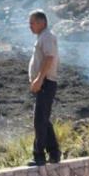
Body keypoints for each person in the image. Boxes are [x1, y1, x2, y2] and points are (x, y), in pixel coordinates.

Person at [27, 10, 61, 166]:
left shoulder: (46, 37)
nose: (30, 26)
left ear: (42, 22)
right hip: (44, 83)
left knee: (39, 120)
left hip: (46, 82)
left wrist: (39, 79)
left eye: (32, 23)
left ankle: (39, 155)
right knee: (44, 120)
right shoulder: (43, 37)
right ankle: (54, 153)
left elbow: (49, 58)